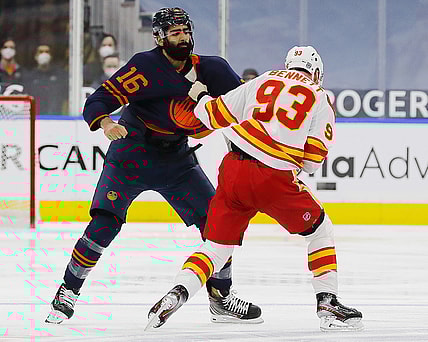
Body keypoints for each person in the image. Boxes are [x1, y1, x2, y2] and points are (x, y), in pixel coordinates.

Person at [46, 7, 262, 325]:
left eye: (185, 31)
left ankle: (221, 299)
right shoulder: (145, 67)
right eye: (174, 32)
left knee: (218, 226)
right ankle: (68, 291)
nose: (183, 37)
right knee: (104, 225)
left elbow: (245, 105)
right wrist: (105, 122)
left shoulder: (213, 70)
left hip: (177, 159)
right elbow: (98, 100)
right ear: (159, 37)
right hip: (130, 155)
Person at [146, 46, 364, 332]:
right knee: (320, 230)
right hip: (274, 177)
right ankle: (328, 302)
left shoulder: (261, 80)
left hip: (234, 169)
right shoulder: (320, 96)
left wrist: (199, 96)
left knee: (216, 249)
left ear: (288, 65)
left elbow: (213, 115)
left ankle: (178, 291)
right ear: (316, 72)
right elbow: (312, 162)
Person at [24, 44, 67, 115]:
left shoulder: (60, 75)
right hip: (35, 116)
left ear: (51, 56)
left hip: (56, 117)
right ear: (36, 56)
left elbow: (65, 98)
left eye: (47, 52)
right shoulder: (30, 76)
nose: (44, 54)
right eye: (41, 52)